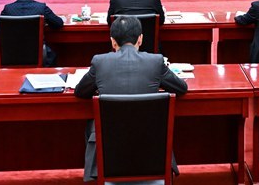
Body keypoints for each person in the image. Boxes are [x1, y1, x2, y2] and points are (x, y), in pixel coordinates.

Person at [75, 15, 188, 182]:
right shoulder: (155, 61)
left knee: (91, 123)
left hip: (111, 148)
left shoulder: (100, 62)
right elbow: (181, 88)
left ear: (113, 41)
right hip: (150, 144)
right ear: (140, 39)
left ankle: (99, 172)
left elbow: (80, 92)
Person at [0, 0, 64, 66]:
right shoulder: (41, 7)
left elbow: (1, 28)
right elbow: (58, 24)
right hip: (37, 54)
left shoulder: (8, 9)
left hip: (11, 54)